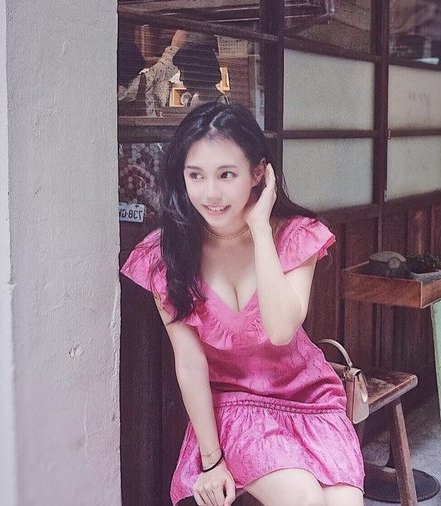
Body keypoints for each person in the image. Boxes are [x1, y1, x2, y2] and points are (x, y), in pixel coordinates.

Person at [120, 102, 364, 506]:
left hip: (310, 399)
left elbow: (281, 330)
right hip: (235, 405)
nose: (210, 194)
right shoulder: (167, 256)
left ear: (258, 174)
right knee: (303, 499)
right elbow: (190, 363)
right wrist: (212, 460)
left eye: (226, 175)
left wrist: (260, 229)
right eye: (196, 175)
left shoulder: (296, 236)